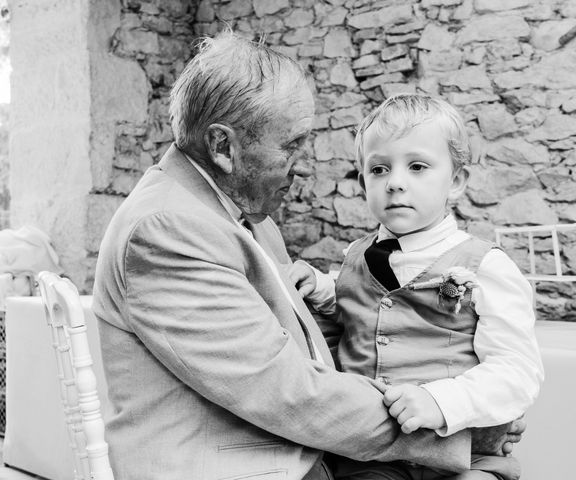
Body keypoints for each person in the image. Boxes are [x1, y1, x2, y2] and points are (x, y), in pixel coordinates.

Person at [92, 33, 523, 480]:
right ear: (223, 147)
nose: (304, 164)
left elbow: (310, 345)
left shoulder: (244, 216)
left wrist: (455, 399)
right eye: (291, 144)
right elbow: (285, 390)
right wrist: (458, 433)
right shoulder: (168, 228)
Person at [289, 94, 543, 480]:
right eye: (378, 170)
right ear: (363, 182)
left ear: (455, 181)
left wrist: (439, 401)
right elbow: (353, 301)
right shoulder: (355, 258)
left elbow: (516, 370)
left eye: (418, 166)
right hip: (371, 458)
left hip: (466, 455)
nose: (395, 183)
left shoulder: (486, 265)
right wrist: (320, 288)